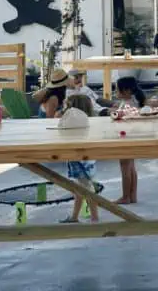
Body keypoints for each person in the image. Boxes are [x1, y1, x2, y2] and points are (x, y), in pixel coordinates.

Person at [60, 94, 99, 223]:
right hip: (85, 158)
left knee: (86, 188)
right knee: (80, 188)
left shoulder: (75, 120)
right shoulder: (86, 120)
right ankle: (74, 216)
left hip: (81, 160)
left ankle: (95, 218)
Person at [114, 77, 145, 204]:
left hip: (126, 136)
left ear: (126, 91)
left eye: (117, 89)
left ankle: (125, 196)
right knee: (131, 166)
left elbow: (123, 117)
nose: (115, 91)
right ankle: (132, 195)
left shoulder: (128, 104)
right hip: (132, 135)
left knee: (125, 166)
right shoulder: (133, 101)